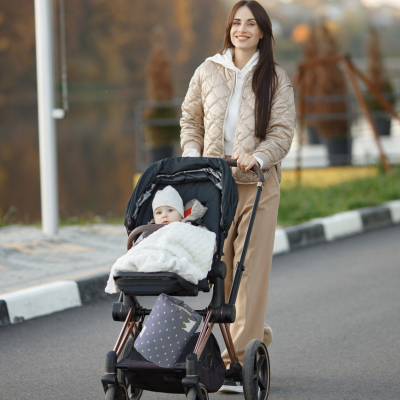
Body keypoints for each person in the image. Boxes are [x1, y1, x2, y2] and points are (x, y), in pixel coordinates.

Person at [180, 0, 296, 393]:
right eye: (236, 22)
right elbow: (190, 118)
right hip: (215, 183)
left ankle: (238, 362)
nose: (242, 29)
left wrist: (258, 156)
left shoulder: (276, 77)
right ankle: (251, 333)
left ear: (262, 31)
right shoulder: (208, 70)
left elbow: (282, 132)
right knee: (223, 269)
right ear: (229, 28)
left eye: (251, 24)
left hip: (257, 184)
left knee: (250, 270)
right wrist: (193, 154)